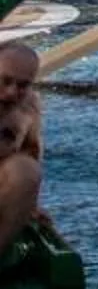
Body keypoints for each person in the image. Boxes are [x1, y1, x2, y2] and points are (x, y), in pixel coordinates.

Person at [0, 42, 46, 254]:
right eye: (5, 80)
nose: (11, 93)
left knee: (25, 170)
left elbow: (31, 151)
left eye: (22, 85)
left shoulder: (28, 107)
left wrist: (29, 205)